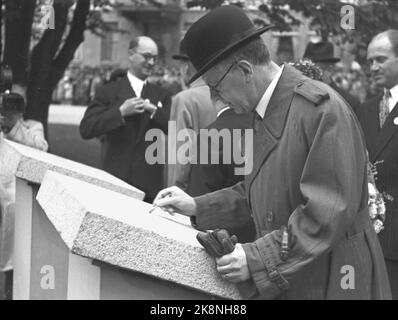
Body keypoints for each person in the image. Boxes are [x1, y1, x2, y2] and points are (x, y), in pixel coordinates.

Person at [153, 5, 391, 299]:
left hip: (335, 281)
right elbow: (260, 188)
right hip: (302, 278)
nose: (215, 97)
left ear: (244, 70)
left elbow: (325, 214)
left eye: (216, 86)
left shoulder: (320, 109)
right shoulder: (267, 109)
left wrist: (255, 258)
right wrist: (197, 206)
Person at [80, 36, 172, 202]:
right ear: (131, 54)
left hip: (149, 186)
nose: (151, 63)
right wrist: (120, 112)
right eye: (146, 56)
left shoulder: (161, 94)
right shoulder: (107, 91)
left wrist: (154, 111)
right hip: (116, 181)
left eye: (155, 58)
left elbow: (174, 129)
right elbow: (86, 128)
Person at [356, 29, 398, 299]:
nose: (373, 67)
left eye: (381, 59)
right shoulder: (366, 109)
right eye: (370, 61)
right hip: (369, 240)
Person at [0, 90, 48, 299]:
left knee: (13, 255)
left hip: (13, 201)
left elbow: (40, 147)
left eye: (15, 106)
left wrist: (13, 126)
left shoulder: (33, 127)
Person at [167, 42, 217, 190]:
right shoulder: (226, 94)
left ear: (186, 67)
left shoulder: (184, 99)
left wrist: (173, 191)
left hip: (192, 192)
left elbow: (180, 157)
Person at [303, 41, 360, 113]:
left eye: (313, 70)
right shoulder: (299, 97)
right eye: (304, 69)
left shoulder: (347, 103)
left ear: (329, 70)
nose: (307, 74)